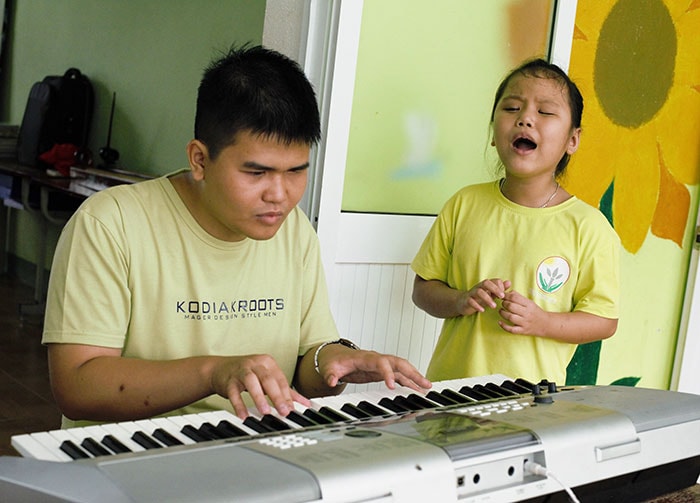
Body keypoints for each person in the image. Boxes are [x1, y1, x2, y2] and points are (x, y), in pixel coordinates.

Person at [43, 45, 431, 429]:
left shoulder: (294, 230)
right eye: (256, 173)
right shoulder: (110, 224)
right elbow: (77, 387)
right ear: (200, 160)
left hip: (257, 450)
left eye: (295, 171)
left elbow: (305, 365)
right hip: (130, 456)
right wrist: (213, 373)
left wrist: (335, 361)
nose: (279, 195)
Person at [411, 58, 619, 386]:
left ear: (572, 140)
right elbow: (423, 291)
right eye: (511, 108)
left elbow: (604, 321)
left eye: (545, 112)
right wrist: (460, 300)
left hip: (532, 402)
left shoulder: (588, 226)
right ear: (493, 132)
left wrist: (542, 322)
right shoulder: (464, 204)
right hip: (449, 395)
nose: (525, 119)